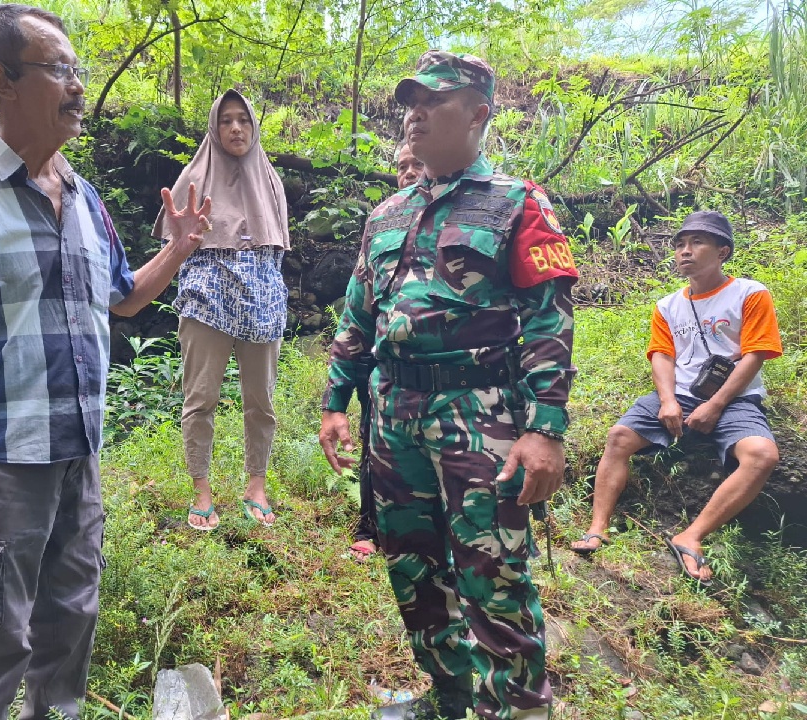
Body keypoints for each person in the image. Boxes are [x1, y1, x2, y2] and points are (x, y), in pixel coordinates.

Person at [0, 5, 210, 718]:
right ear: (2, 80)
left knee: (70, 629)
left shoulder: (86, 199)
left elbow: (123, 300)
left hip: (79, 457)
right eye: (59, 69)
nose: (76, 86)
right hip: (1, 464)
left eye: (77, 71)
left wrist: (181, 248)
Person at [319, 50, 578, 720]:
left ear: (479, 113)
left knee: (492, 578)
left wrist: (545, 428)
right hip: (393, 412)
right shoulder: (388, 214)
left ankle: (515, 709)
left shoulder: (518, 205)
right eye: (411, 102)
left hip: (479, 413)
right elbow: (358, 313)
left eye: (433, 102)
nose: (415, 115)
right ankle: (451, 697)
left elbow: (549, 320)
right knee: (413, 571)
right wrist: (335, 401)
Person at [571, 211, 782, 584]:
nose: (685, 251)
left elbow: (756, 353)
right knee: (619, 437)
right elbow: (663, 355)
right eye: (680, 244)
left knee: (762, 456)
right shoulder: (668, 305)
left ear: (723, 251)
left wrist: (716, 405)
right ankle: (598, 527)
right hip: (681, 393)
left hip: (736, 398)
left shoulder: (750, 293)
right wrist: (667, 401)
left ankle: (691, 535)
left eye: (697, 242)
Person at [152, 89, 289, 530]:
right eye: (226, 120)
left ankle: (256, 485)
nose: (235, 128)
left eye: (243, 120)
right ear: (214, 126)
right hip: (205, 296)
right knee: (201, 398)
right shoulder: (193, 176)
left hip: (262, 296)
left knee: (260, 401)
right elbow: (170, 245)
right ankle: (202, 489)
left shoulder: (270, 179)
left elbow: (278, 248)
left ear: (254, 127)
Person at [349, 144, 426, 563]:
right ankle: (369, 526)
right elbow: (357, 303)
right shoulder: (384, 218)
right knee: (372, 444)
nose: (409, 172)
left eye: (417, 163)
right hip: (380, 364)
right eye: (402, 166)